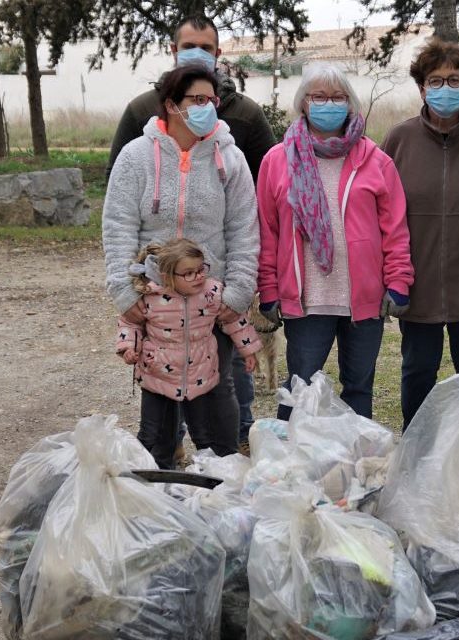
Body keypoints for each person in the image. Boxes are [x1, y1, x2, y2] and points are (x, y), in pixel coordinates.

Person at [107, 14, 276, 450]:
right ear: (171, 104)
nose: (204, 107)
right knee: (159, 412)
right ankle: (163, 480)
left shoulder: (229, 158)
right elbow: (119, 223)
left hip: (212, 302)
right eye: (194, 100)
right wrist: (127, 293)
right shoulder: (136, 157)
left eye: (210, 100)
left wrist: (237, 292)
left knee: (220, 404)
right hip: (154, 302)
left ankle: (223, 475)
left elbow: (243, 226)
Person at [256, 63, 414, 420]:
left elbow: (396, 230)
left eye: (338, 97)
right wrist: (267, 288)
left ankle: (354, 467)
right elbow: (267, 232)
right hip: (306, 301)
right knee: (299, 390)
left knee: (358, 388)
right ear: (304, 103)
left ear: (350, 102)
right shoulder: (278, 161)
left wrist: (399, 280)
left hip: (363, 299)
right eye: (319, 97)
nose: (329, 104)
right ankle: (291, 467)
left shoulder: (376, 161)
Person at [382, 39, 459, 429]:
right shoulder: (398, 140)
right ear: (421, 87)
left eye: (454, 79)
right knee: (417, 370)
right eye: (435, 81)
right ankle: (417, 449)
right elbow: (381, 214)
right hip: (415, 283)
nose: (445, 88)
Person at [116, 238, 262, 469]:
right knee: (153, 433)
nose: (199, 277)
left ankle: (211, 475)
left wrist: (248, 351)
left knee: (204, 432)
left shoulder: (212, 293)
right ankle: (150, 476)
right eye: (189, 273)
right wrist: (128, 348)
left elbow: (235, 320)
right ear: (167, 276)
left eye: (201, 269)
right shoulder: (150, 296)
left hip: (200, 376)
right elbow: (129, 323)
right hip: (157, 377)